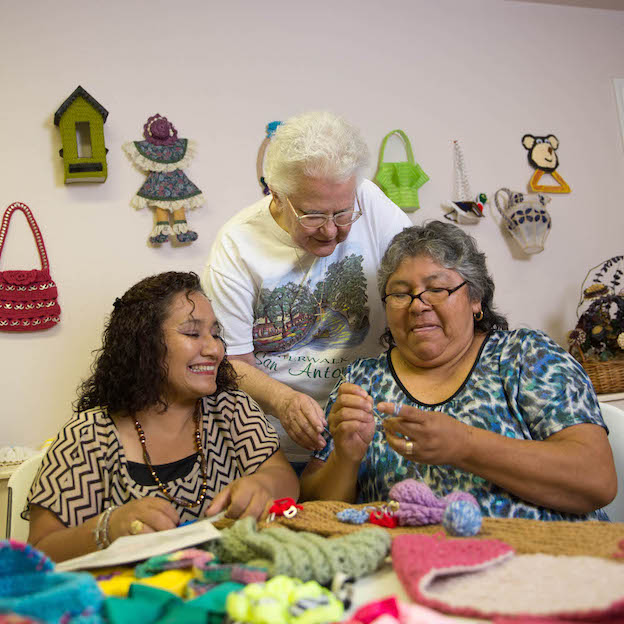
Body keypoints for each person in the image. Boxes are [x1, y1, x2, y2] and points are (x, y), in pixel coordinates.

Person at [300, 221, 617, 521]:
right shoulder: (362, 381)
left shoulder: (526, 356)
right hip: (406, 569)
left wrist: (465, 446)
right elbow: (315, 511)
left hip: (549, 562)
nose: (417, 305)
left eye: (437, 288)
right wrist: (345, 458)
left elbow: (596, 479)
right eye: (399, 293)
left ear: (475, 297)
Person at [26, 272, 298, 562]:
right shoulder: (89, 436)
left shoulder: (231, 410)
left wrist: (265, 485)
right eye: (193, 333)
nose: (215, 349)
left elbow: (285, 479)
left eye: (216, 334)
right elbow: (39, 552)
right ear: (144, 343)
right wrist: (110, 528)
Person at [202, 111, 412, 472]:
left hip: (370, 433)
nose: (331, 231)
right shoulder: (237, 244)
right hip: (276, 445)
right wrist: (284, 401)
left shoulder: (369, 200)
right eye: (313, 215)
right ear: (277, 194)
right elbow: (233, 362)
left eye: (343, 213)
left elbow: (419, 275)